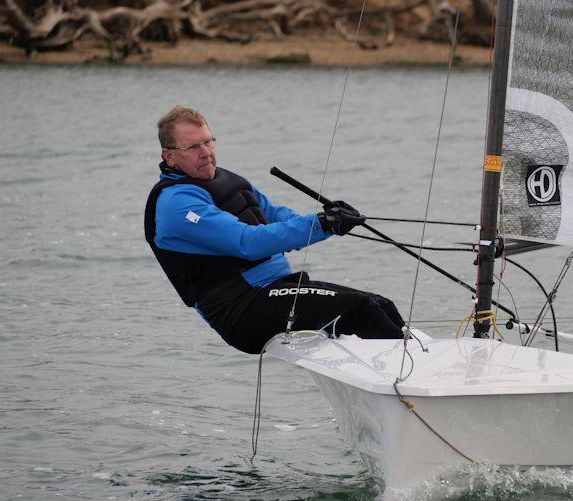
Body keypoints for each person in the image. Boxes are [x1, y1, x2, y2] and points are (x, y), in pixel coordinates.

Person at [144, 105, 405, 354]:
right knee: (362, 309)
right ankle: (405, 384)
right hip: (241, 310)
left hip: (276, 289)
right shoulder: (177, 204)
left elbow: (273, 214)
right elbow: (248, 242)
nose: (205, 151)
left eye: (208, 141)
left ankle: (417, 365)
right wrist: (321, 225)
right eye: (192, 147)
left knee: (381, 305)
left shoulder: (223, 179)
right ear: (169, 155)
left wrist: (330, 218)